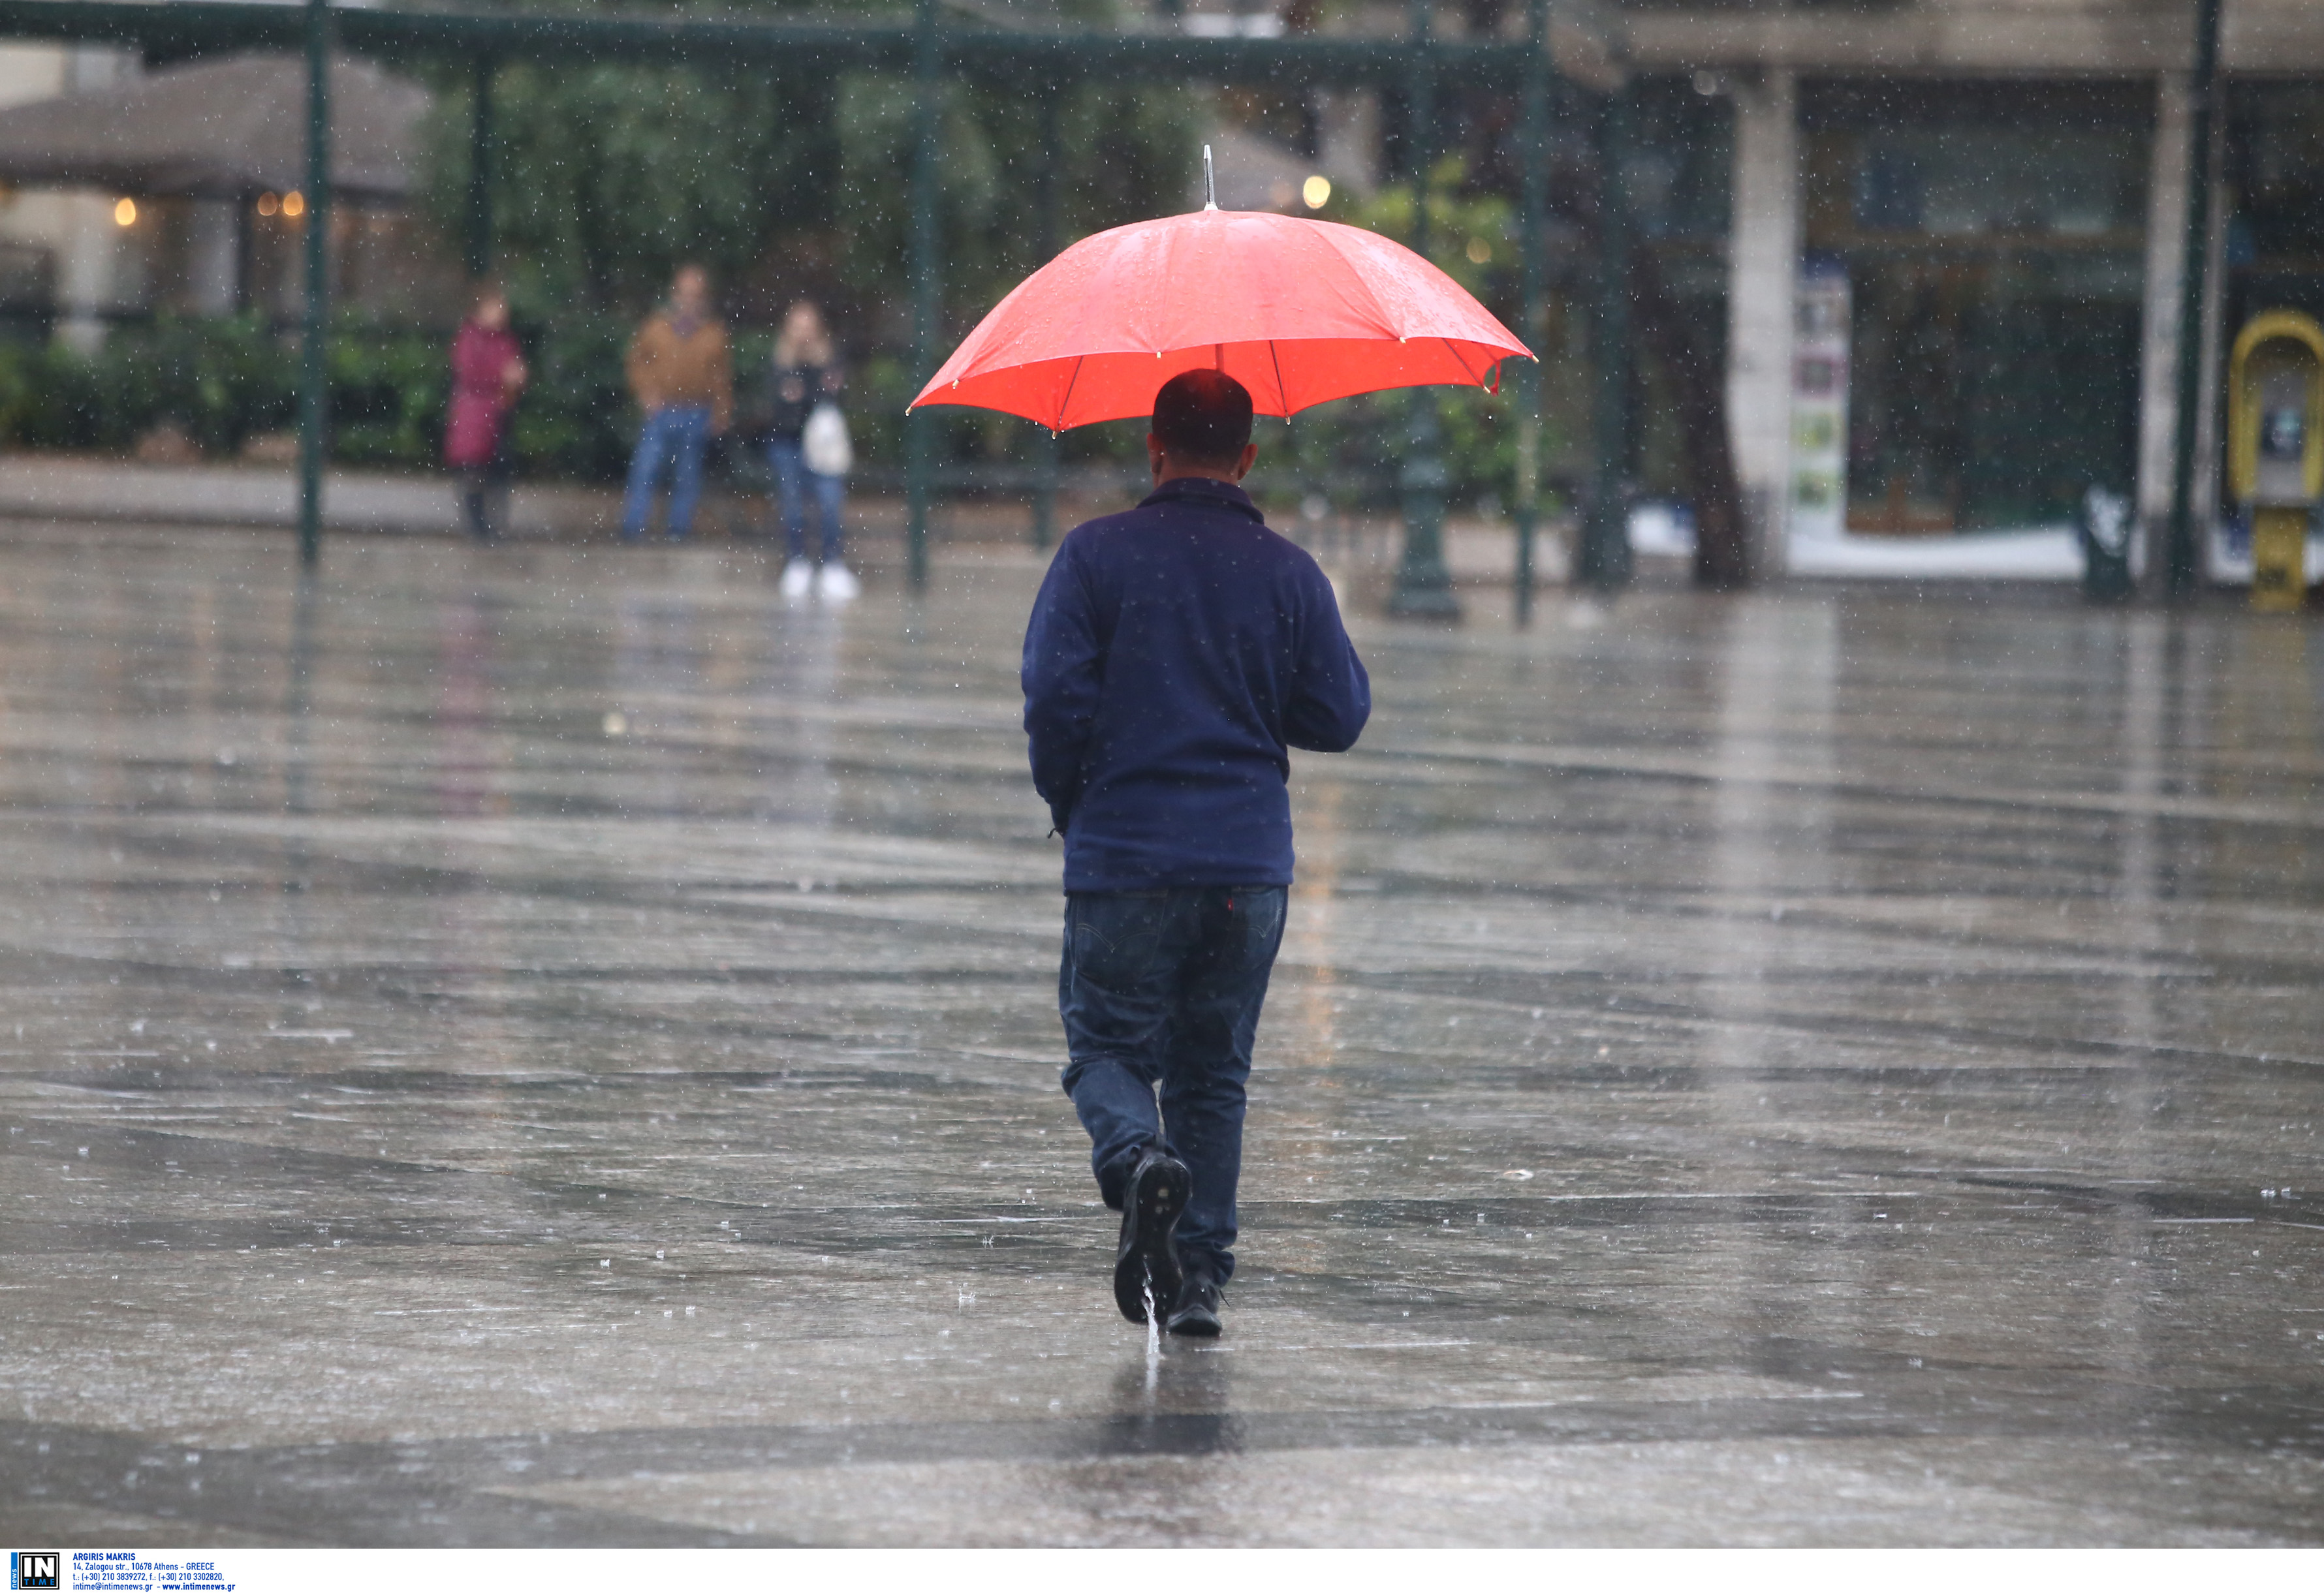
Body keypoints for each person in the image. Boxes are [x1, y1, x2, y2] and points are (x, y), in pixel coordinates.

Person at [1021, 369, 1371, 1339]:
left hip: (1124, 856)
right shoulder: (1290, 572)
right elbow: (1338, 716)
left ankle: (1139, 1162)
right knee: (1214, 1072)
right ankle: (1199, 1282)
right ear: (1249, 457)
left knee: (1104, 1049)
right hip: (1246, 866)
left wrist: (1071, 797)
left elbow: (1054, 701)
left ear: (1151, 446)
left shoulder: (1094, 558)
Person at [620, 264, 732, 543]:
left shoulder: (713, 332)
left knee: (687, 476)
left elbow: (721, 376)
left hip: (696, 411)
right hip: (661, 411)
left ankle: (678, 532)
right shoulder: (656, 326)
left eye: (696, 294)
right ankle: (633, 530)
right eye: (684, 293)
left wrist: (722, 411)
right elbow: (636, 362)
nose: (689, 300)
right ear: (674, 294)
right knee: (645, 470)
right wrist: (646, 392)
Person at [766, 300, 856, 601]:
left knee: (830, 503)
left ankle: (832, 563)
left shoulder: (830, 358)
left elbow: (828, 397)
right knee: (792, 504)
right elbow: (779, 406)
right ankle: (797, 561)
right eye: (797, 326)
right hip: (787, 443)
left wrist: (807, 387)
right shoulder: (778, 361)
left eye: (809, 326)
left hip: (823, 446)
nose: (803, 334)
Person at [444, 284, 526, 542]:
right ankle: (476, 526)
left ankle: (494, 526)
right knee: (473, 472)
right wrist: (502, 377)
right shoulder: (470, 338)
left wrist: (514, 382)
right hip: (476, 414)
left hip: (498, 413)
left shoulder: (506, 340)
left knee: (497, 472)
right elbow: (469, 373)